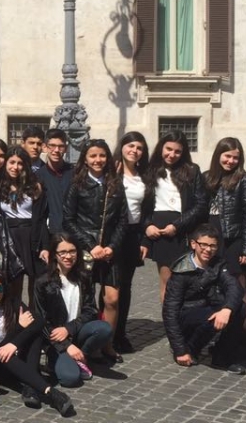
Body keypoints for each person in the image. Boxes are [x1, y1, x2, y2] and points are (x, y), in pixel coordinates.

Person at [0, 268, 76, 417]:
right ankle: (50, 392)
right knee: (4, 353)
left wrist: (14, 344)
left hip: (15, 359)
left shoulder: (13, 303)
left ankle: (30, 387)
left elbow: (39, 321)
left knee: (35, 334)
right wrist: (19, 327)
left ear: (4, 288)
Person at [63, 139, 126, 356]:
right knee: (85, 298)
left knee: (112, 299)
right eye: (93, 156)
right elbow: (68, 220)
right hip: (85, 250)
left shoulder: (115, 184)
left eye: (102, 155)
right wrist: (90, 245)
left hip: (110, 251)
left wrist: (112, 247)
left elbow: (122, 220)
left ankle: (107, 344)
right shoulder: (77, 184)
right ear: (85, 159)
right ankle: (83, 342)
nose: (98, 160)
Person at [162, 224, 246, 374]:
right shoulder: (181, 271)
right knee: (213, 316)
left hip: (209, 308)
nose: (208, 250)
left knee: (240, 307)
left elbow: (235, 287)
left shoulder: (219, 264)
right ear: (193, 244)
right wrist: (179, 350)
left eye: (213, 246)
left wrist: (227, 309)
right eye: (204, 245)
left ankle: (222, 356)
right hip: (187, 315)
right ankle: (191, 348)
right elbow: (170, 312)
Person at [32, 233, 114, 387]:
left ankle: (81, 355)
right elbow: (41, 320)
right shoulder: (43, 282)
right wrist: (66, 345)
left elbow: (91, 310)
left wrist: (69, 328)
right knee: (70, 379)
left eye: (72, 251)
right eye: (62, 252)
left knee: (104, 329)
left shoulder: (83, 277)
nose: (68, 256)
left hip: (77, 331)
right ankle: (61, 359)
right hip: (56, 340)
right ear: (54, 255)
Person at [141, 132, 209, 302]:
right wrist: (148, 225)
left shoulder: (192, 170)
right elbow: (142, 205)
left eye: (177, 151)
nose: (172, 154)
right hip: (161, 231)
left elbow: (201, 204)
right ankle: (170, 318)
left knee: (188, 281)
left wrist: (177, 225)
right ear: (161, 148)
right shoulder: (150, 170)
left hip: (184, 229)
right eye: (168, 149)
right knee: (168, 281)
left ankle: (186, 316)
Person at [202, 136, 246, 334]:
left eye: (235, 158)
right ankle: (220, 334)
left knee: (239, 288)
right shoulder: (207, 177)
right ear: (218, 155)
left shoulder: (244, 179)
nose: (231, 161)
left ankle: (243, 337)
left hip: (233, 240)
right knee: (214, 286)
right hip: (211, 239)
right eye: (227, 156)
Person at [0, 147, 48, 304]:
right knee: (13, 283)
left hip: (30, 235)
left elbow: (41, 218)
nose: (15, 167)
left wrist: (44, 246)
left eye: (20, 163)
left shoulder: (34, 186)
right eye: (12, 162)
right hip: (9, 237)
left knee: (35, 284)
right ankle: (15, 315)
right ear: (6, 163)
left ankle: (35, 316)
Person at [112, 131, 149, 353]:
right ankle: (106, 332)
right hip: (113, 234)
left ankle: (120, 333)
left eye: (139, 148)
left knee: (125, 286)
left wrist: (144, 239)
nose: (134, 151)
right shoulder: (112, 172)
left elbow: (147, 211)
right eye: (131, 146)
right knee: (110, 287)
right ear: (122, 147)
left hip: (133, 235)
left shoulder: (144, 176)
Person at [34, 128, 73, 234]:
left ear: (66, 148)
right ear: (45, 147)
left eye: (61, 146)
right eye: (52, 146)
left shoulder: (75, 173)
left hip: (73, 233)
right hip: (50, 233)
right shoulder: (37, 176)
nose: (56, 150)